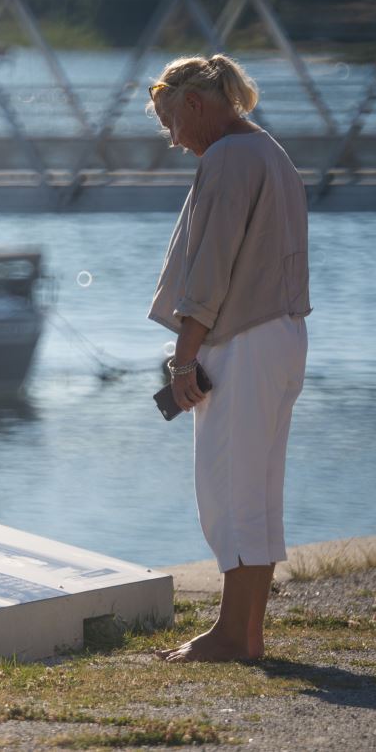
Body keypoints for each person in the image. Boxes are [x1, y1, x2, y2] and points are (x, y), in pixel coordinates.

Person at [146, 54, 311, 662]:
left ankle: (228, 636)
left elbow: (211, 266)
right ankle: (247, 633)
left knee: (228, 489)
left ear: (195, 104)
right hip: (282, 335)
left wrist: (184, 359)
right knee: (260, 489)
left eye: (171, 122)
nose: (174, 140)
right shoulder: (269, 151)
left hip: (242, 339)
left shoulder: (227, 158)